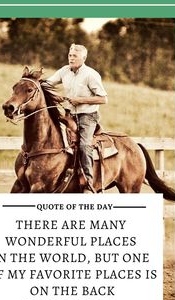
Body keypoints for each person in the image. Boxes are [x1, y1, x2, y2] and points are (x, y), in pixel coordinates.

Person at [47, 43, 108, 193]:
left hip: (88, 116)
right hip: (69, 115)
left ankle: (88, 183)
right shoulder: (64, 71)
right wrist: (55, 96)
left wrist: (79, 100)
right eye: (70, 55)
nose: (71, 58)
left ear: (84, 58)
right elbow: (46, 84)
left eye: (74, 56)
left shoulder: (91, 74)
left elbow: (103, 99)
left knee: (84, 145)